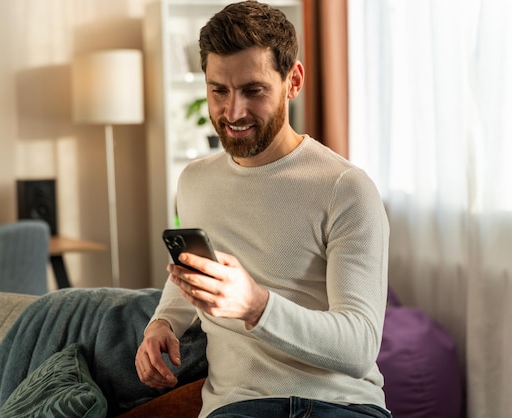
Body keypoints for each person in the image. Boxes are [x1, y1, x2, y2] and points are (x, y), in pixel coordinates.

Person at [135, 1, 391, 417]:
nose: (232, 113)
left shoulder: (347, 189)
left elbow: (360, 346)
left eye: (253, 90)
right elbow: (195, 275)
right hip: (240, 405)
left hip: (341, 405)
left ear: (294, 81)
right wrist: (163, 323)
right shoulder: (194, 182)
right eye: (219, 90)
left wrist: (257, 306)